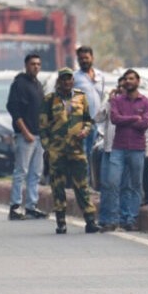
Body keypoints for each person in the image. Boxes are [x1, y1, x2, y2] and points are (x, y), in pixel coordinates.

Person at [40, 67, 99, 234]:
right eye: (63, 79)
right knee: (58, 186)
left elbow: (88, 120)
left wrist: (85, 131)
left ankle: (90, 220)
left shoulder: (80, 97)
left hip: (77, 149)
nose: (67, 82)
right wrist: (47, 147)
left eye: (69, 79)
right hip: (57, 151)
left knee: (82, 185)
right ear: (59, 81)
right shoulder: (50, 100)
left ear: (73, 80)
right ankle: (61, 221)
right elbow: (43, 126)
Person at [100, 68, 148, 231]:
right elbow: (115, 119)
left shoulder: (147, 102)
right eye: (126, 79)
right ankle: (112, 219)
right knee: (113, 183)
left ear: (138, 81)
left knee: (135, 185)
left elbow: (145, 123)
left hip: (137, 148)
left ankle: (130, 218)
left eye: (132, 78)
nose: (129, 81)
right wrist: (134, 118)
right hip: (118, 147)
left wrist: (128, 120)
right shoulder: (116, 101)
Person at [7, 52, 48, 221]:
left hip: (38, 136)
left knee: (35, 173)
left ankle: (31, 206)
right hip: (26, 135)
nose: (36, 67)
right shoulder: (19, 84)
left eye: (38, 64)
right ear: (26, 65)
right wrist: (25, 132)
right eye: (33, 64)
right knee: (21, 171)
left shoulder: (37, 84)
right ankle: (15, 207)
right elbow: (14, 110)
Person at [72, 45, 107, 185]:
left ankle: (96, 184)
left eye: (86, 58)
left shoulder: (100, 76)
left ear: (92, 58)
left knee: (97, 155)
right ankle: (83, 185)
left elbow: (104, 97)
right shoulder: (75, 77)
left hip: (99, 123)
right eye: (81, 59)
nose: (84, 61)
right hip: (82, 123)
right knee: (83, 155)